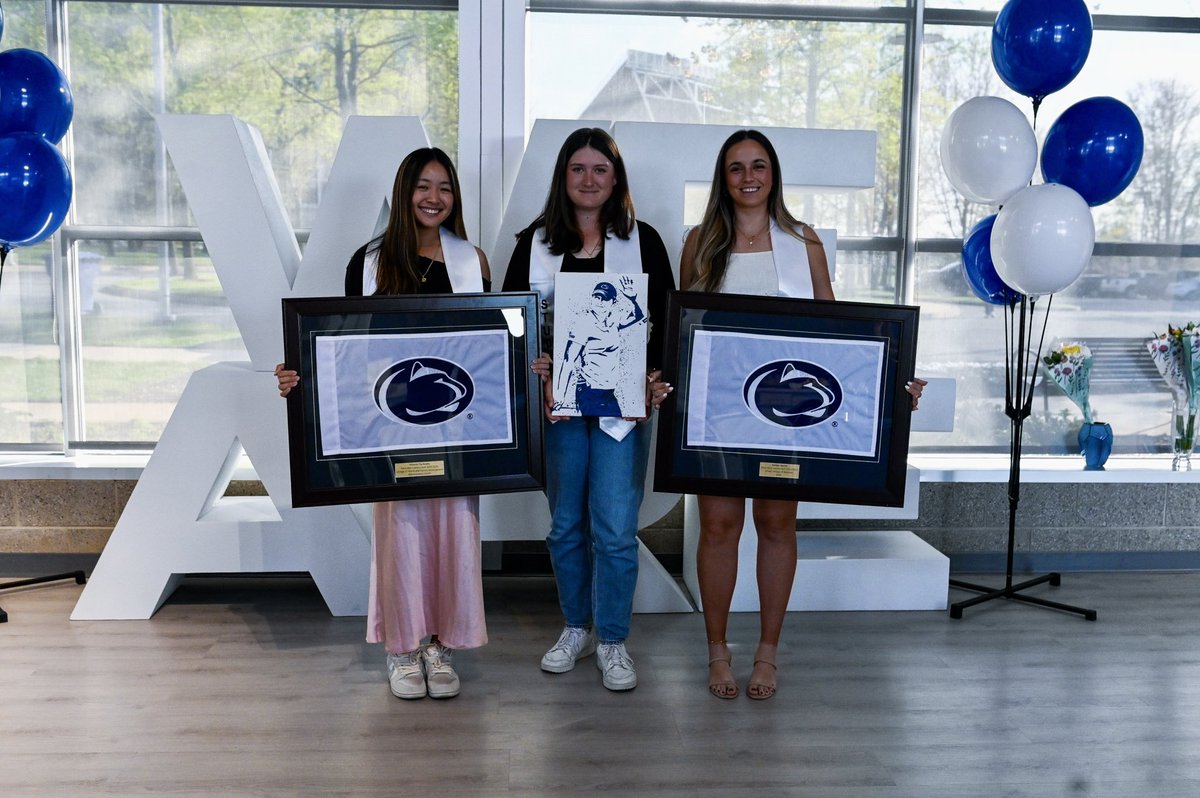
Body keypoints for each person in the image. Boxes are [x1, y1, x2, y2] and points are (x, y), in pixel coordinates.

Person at [678, 129, 925, 701]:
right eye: (736, 167)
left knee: (775, 524)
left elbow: (836, 339)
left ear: (773, 174)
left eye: (758, 166)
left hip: (784, 414)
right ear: (724, 177)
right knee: (718, 527)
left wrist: (890, 387)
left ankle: (766, 651)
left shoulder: (802, 241)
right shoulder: (699, 243)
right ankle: (718, 650)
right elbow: (683, 328)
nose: (748, 177)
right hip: (717, 415)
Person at [275, 148, 491, 701]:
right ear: (403, 192)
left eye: (445, 187)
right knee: (402, 538)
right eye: (423, 185)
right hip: (390, 429)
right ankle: (402, 647)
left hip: (455, 427)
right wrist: (299, 372)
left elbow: (488, 352)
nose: (434, 197)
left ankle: (439, 645)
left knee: (452, 533)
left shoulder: (474, 262)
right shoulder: (368, 263)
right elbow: (346, 351)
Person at [502, 127, 675, 691]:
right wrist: (536, 361)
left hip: (621, 411)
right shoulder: (534, 242)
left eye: (600, 169)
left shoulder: (643, 241)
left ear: (615, 178)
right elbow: (509, 322)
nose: (589, 179)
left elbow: (666, 324)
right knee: (565, 527)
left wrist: (655, 377)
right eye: (578, 169)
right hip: (560, 408)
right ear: (563, 177)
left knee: (616, 529)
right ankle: (576, 626)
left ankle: (614, 640)